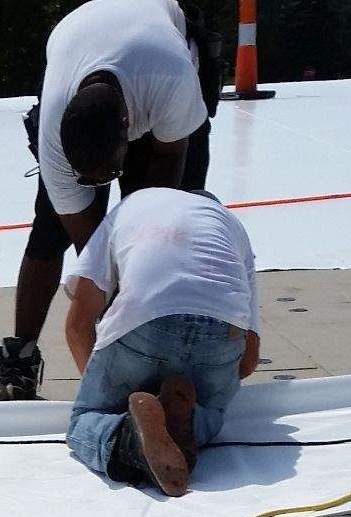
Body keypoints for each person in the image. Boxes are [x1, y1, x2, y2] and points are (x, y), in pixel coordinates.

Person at [0, 0, 217, 399]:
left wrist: (142, 256)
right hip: (84, 48)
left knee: (175, 227)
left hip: (163, 58)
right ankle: (19, 360)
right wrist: (112, 317)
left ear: (129, 130)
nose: (100, 188)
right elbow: (93, 252)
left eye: (107, 175)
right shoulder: (56, 136)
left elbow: (161, 190)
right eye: (88, 179)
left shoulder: (169, 79)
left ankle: (185, 346)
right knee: (49, 229)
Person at [60, 186, 261, 497]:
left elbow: (77, 324)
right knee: (213, 415)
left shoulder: (132, 205)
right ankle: (190, 420)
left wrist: (105, 396)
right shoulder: (233, 229)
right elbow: (248, 362)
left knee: (85, 421)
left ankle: (125, 434)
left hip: (148, 321)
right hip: (222, 332)